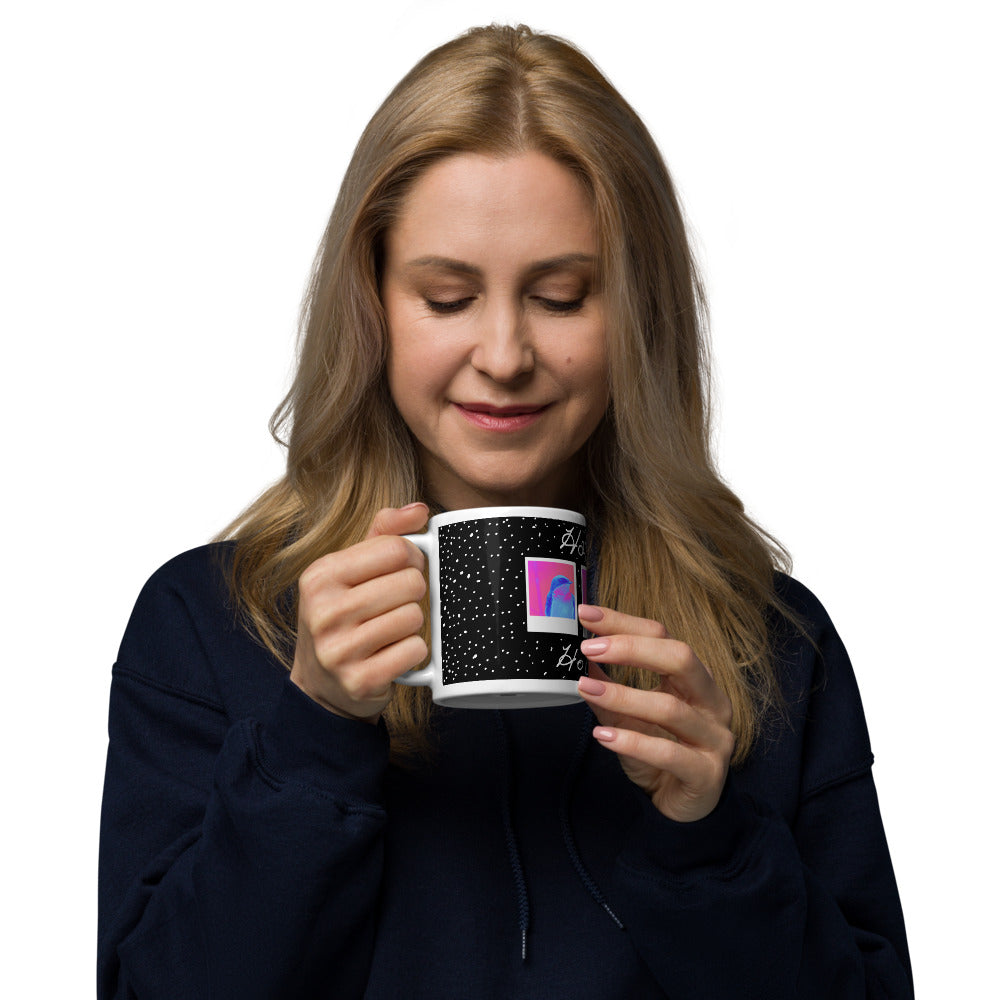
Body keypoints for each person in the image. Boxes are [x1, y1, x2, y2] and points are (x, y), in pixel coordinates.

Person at [97, 23, 913, 999]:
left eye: (561, 296)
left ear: (637, 314)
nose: (503, 352)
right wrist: (311, 727)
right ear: (374, 306)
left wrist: (711, 835)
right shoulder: (209, 624)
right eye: (446, 297)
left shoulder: (769, 643)